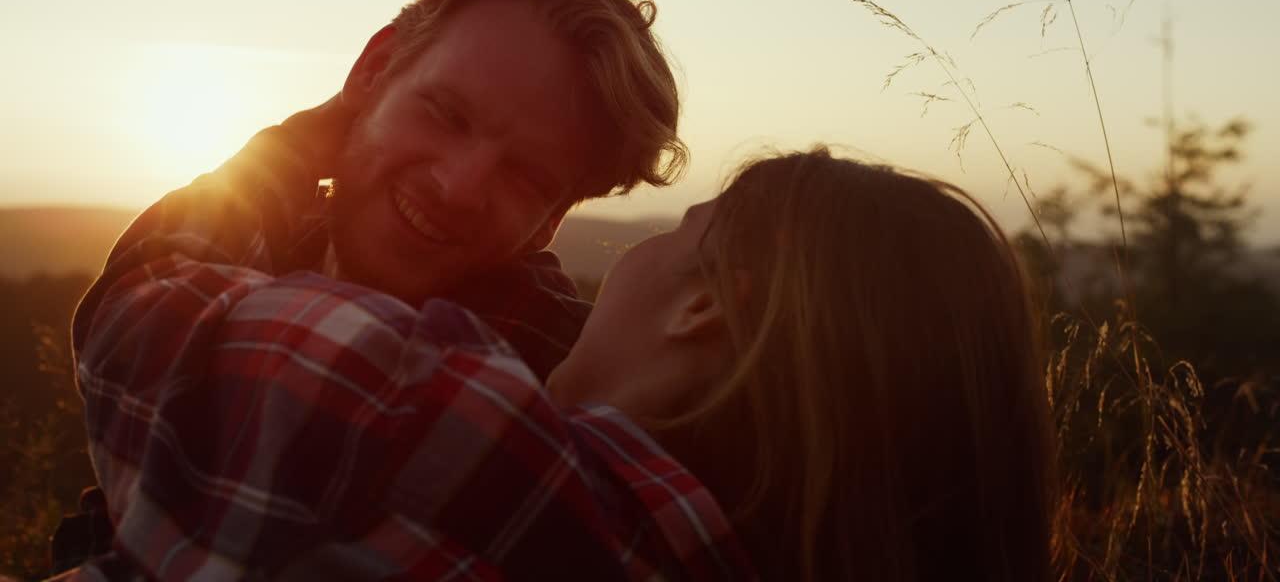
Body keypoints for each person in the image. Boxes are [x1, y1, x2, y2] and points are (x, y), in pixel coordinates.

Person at [64, 146, 1055, 581]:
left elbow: (158, 313)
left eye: (680, 228)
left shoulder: (482, 459)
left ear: (709, 304)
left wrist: (280, 159)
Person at [55, 0, 687, 575]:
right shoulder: (272, 249)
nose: (458, 187)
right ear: (373, 69)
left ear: (548, 221)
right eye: (446, 114)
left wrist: (295, 143)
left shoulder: (547, 372)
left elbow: (145, 315)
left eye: (525, 177)